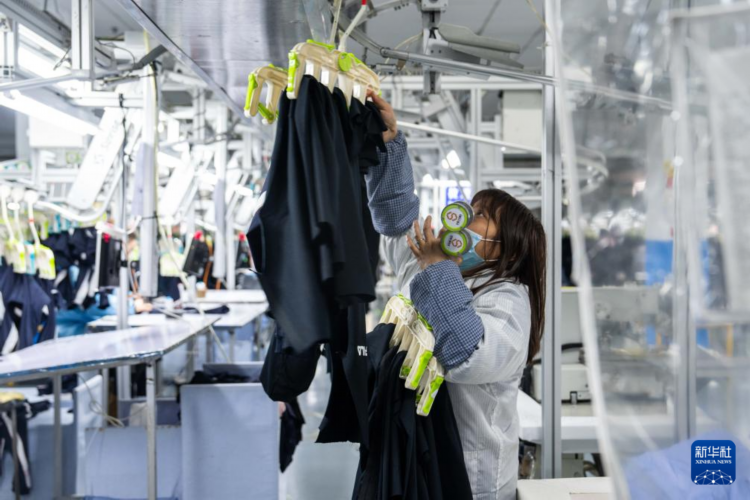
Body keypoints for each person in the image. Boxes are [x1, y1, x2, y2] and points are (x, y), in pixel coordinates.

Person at [365, 90, 547, 500]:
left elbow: (468, 355)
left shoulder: (508, 299)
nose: (465, 216)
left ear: (507, 248)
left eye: (480, 216)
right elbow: (397, 223)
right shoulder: (439, 271)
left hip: (470, 480)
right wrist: (389, 144)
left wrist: (436, 266)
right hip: (416, 464)